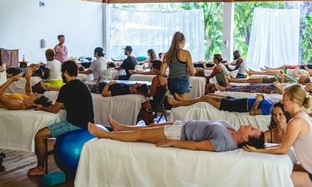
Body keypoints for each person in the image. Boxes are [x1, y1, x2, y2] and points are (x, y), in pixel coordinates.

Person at [244, 84, 312, 187]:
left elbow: (283, 149)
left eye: (284, 99)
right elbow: (285, 145)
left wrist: (257, 151)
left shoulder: (295, 122)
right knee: (284, 170)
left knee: (279, 179)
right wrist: (263, 149)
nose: (282, 102)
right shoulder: (302, 116)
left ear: (294, 100)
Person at [27, 60, 94, 176]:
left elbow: (54, 110)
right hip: (88, 123)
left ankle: (40, 167)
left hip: (76, 124)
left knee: (39, 135)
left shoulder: (66, 88)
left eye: (62, 72)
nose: (62, 74)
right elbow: (70, 104)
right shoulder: (82, 85)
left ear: (66, 72)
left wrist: (41, 107)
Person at [88, 115, 264, 152]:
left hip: (178, 133)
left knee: (141, 134)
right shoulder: (231, 130)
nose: (249, 125)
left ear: (246, 138)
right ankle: (121, 126)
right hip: (183, 125)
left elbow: (198, 146)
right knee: (148, 126)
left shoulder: (226, 142)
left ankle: (105, 135)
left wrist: (172, 142)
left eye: (251, 129)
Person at [160, 31, 196, 100]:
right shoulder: (186, 53)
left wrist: (168, 76)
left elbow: (161, 72)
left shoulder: (167, 54)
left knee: (176, 104)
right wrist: (194, 70)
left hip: (171, 82)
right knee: (182, 106)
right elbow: (193, 72)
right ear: (182, 42)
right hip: (183, 81)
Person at [168, 93, 273, 116]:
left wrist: (258, 100)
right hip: (240, 100)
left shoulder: (270, 109)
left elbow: (253, 112)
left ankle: (179, 103)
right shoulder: (273, 103)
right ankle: (181, 102)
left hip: (239, 106)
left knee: (206, 99)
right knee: (209, 95)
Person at [137, 60, 171, 125]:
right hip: (167, 102)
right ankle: (151, 123)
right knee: (145, 107)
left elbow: (151, 94)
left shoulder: (156, 79)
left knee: (142, 106)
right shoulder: (165, 77)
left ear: (155, 68)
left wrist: (142, 94)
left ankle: (149, 124)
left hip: (159, 103)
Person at [226, 73, 297, 84]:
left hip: (271, 81)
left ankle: (231, 80)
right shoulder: (295, 79)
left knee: (249, 81)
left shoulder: (295, 82)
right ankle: (233, 79)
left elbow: (283, 84)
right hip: (272, 78)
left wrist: (283, 76)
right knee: (249, 80)